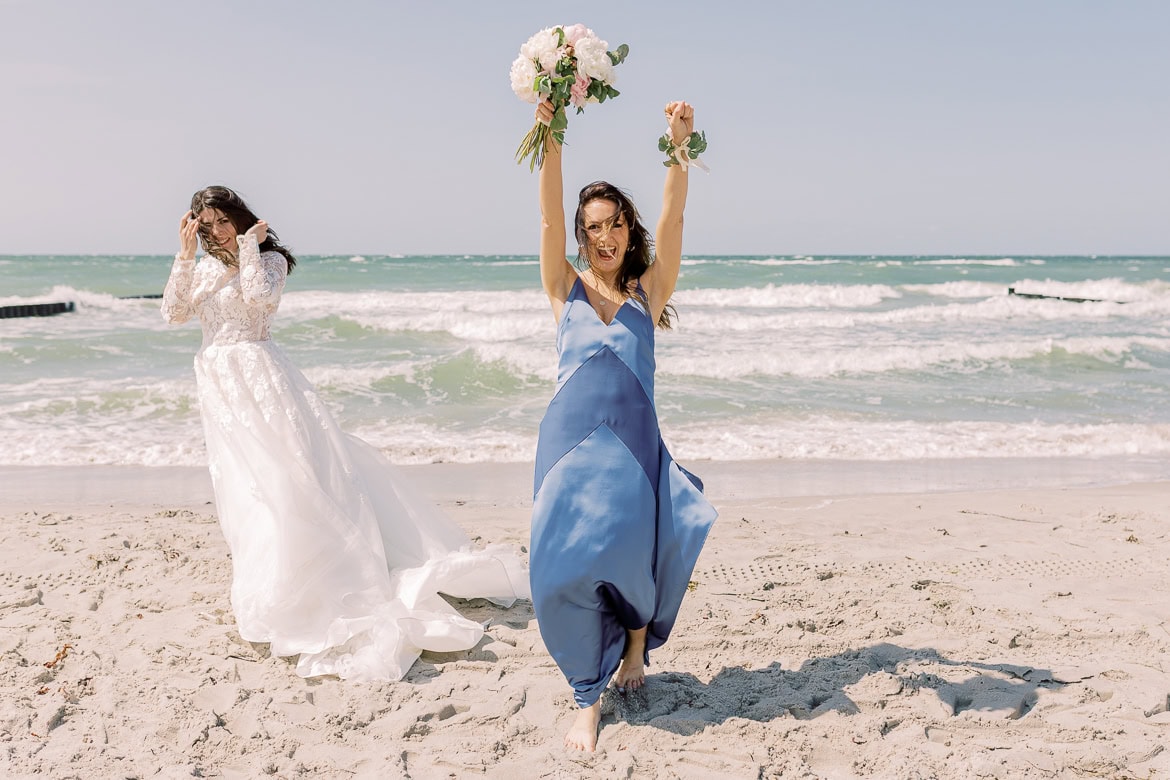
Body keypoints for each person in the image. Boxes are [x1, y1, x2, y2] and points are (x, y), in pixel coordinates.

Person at [161, 185, 528, 681]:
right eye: (208, 225)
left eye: (224, 219)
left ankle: (317, 581)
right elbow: (174, 313)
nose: (218, 231)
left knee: (291, 479)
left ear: (239, 216)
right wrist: (185, 257)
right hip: (220, 387)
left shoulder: (270, 260)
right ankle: (269, 582)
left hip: (260, 375)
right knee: (247, 490)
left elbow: (259, 302)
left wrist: (249, 245)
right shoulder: (202, 268)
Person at [529, 101, 718, 751]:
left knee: (628, 558)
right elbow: (549, 211)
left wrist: (678, 147)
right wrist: (552, 135)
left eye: (613, 225)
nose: (603, 237)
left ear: (626, 227)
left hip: (631, 443)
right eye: (592, 229)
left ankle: (621, 663)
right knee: (556, 569)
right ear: (580, 238)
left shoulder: (648, 290)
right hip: (565, 440)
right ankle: (587, 688)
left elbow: (676, 215)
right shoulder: (564, 287)